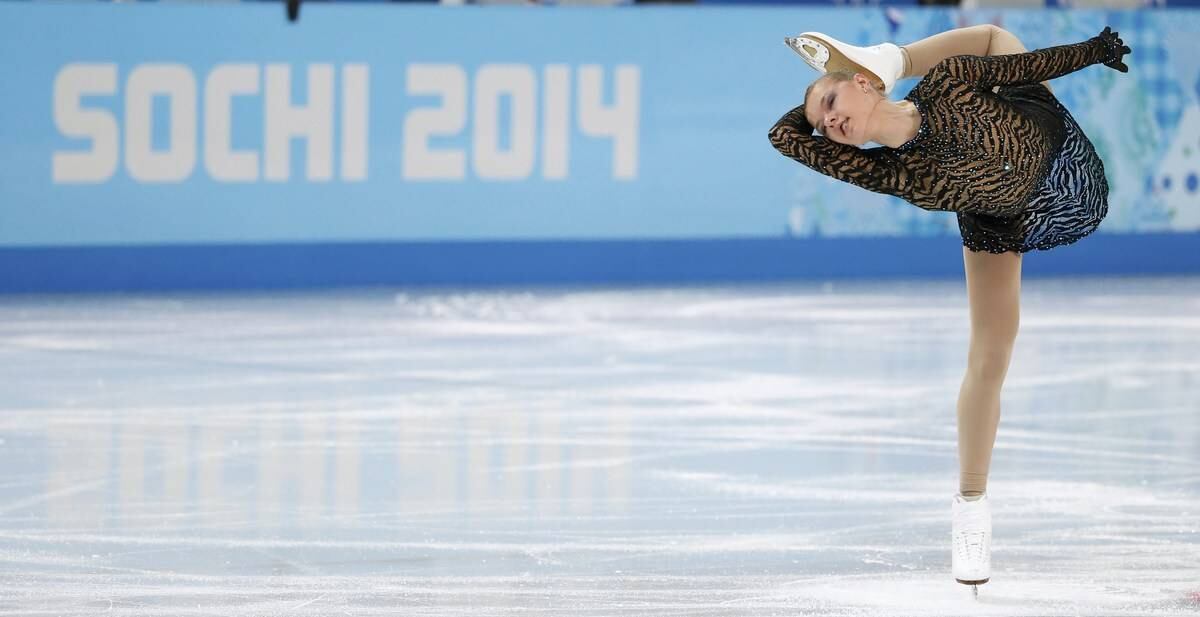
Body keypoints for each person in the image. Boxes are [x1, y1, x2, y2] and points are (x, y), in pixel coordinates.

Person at [767, 24, 1131, 593]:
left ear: (865, 84)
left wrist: (1095, 50)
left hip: (1048, 136)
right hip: (1000, 216)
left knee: (995, 39)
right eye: (822, 122)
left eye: (832, 102)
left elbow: (1023, 63)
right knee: (990, 356)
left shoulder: (949, 82)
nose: (828, 122)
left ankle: (894, 55)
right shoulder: (889, 170)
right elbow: (782, 136)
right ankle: (971, 507)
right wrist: (831, 94)